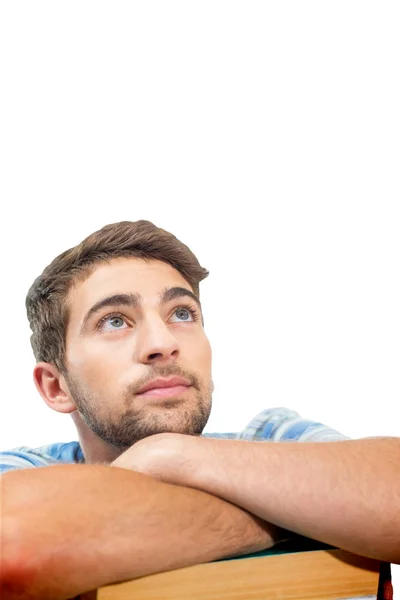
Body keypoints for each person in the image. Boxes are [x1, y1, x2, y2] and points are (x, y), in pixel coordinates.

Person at [1, 221, 398, 599]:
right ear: (56, 386)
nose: (163, 341)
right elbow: (13, 547)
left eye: (182, 313)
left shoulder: (274, 435)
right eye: (114, 321)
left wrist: (170, 456)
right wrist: (310, 512)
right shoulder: (24, 471)